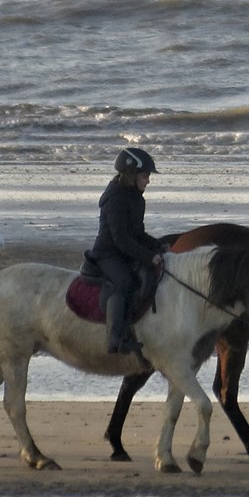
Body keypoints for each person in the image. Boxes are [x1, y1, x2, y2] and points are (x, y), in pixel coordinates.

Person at [88, 146, 166, 358]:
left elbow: (138, 233)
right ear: (130, 174)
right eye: (145, 175)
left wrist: (158, 246)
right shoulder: (116, 199)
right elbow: (121, 239)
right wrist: (148, 257)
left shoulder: (136, 198)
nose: (148, 180)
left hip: (123, 251)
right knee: (124, 282)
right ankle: (115, 338)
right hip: (107, 254)